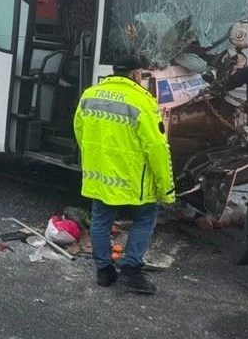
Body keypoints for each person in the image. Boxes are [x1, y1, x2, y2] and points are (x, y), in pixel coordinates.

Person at [74, 54, 175, 294]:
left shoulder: (89, 94)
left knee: (100, 220)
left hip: (100, 176)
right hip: (133, 180)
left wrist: (95, 161)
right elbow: (157, 148)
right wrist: (167, 188)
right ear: (137, 74)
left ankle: (104, 272)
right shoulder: (142, 101)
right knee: (145, 218)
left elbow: (79, 132)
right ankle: (131, 270)